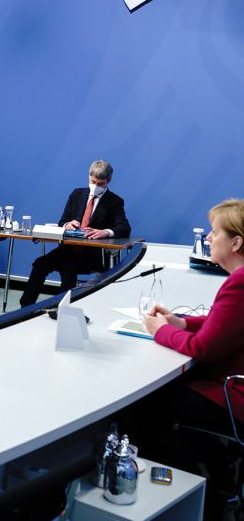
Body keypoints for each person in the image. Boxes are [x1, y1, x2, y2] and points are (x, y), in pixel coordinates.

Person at [133, 199, 244, 519]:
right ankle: (216, 470)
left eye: (214, 232)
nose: (208, 238)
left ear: (236, 242)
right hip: (232, 384)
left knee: (148, 405)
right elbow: (224, 322)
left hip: (234, 395)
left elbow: (205, 349)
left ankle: (194, 491)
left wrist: (159, 331)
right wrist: (181, 322)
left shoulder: (239, 283)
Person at [18, 159, 131, 307]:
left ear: (108, 181)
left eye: (100, 184)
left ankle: (59, 308)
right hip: (67, 248)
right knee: (40, 264)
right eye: (93, 181)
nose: (95, 186)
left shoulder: (115, 201)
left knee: (68, 266)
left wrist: (105, 232)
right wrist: (67, 224)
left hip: (92, 254)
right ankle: (25, 307)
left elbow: (125, 227)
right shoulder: (77, 194)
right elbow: (62, 221)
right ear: (88, 177)